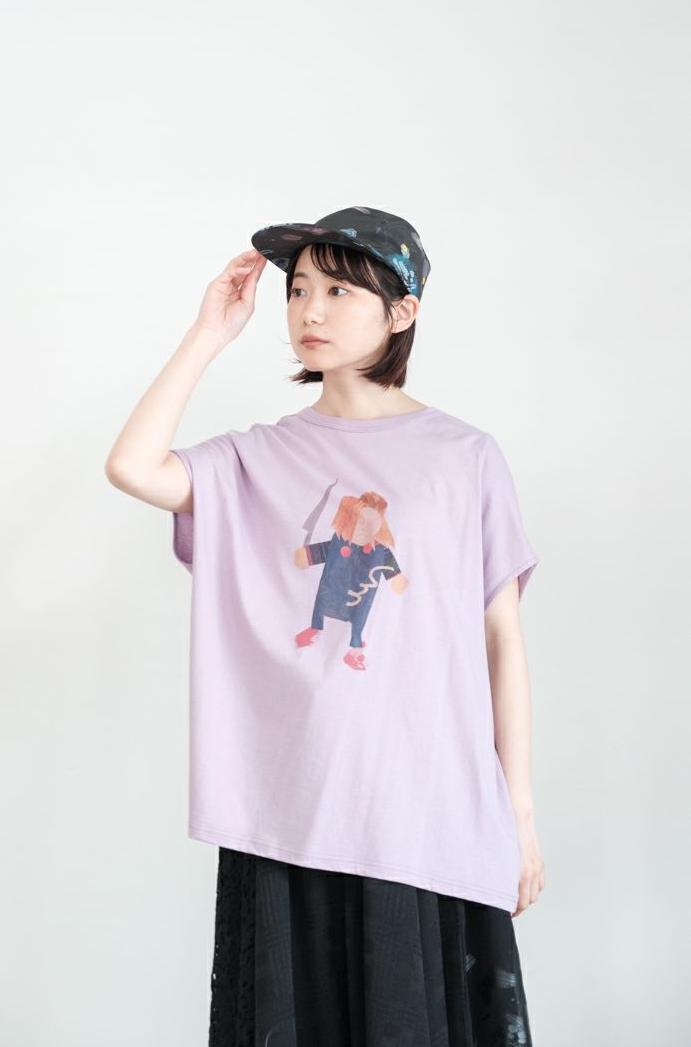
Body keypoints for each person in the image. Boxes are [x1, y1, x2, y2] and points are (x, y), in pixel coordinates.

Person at [105, 206, 546, 1046]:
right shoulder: (257, 457)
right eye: (299, 289)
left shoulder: (465, 457)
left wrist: (517, 811)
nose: (309, 309)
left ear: (402, 311)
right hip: (293, 806)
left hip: (425, 805)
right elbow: (132, 466)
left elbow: (502, 639)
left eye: (339, 291)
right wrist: (207, 334)